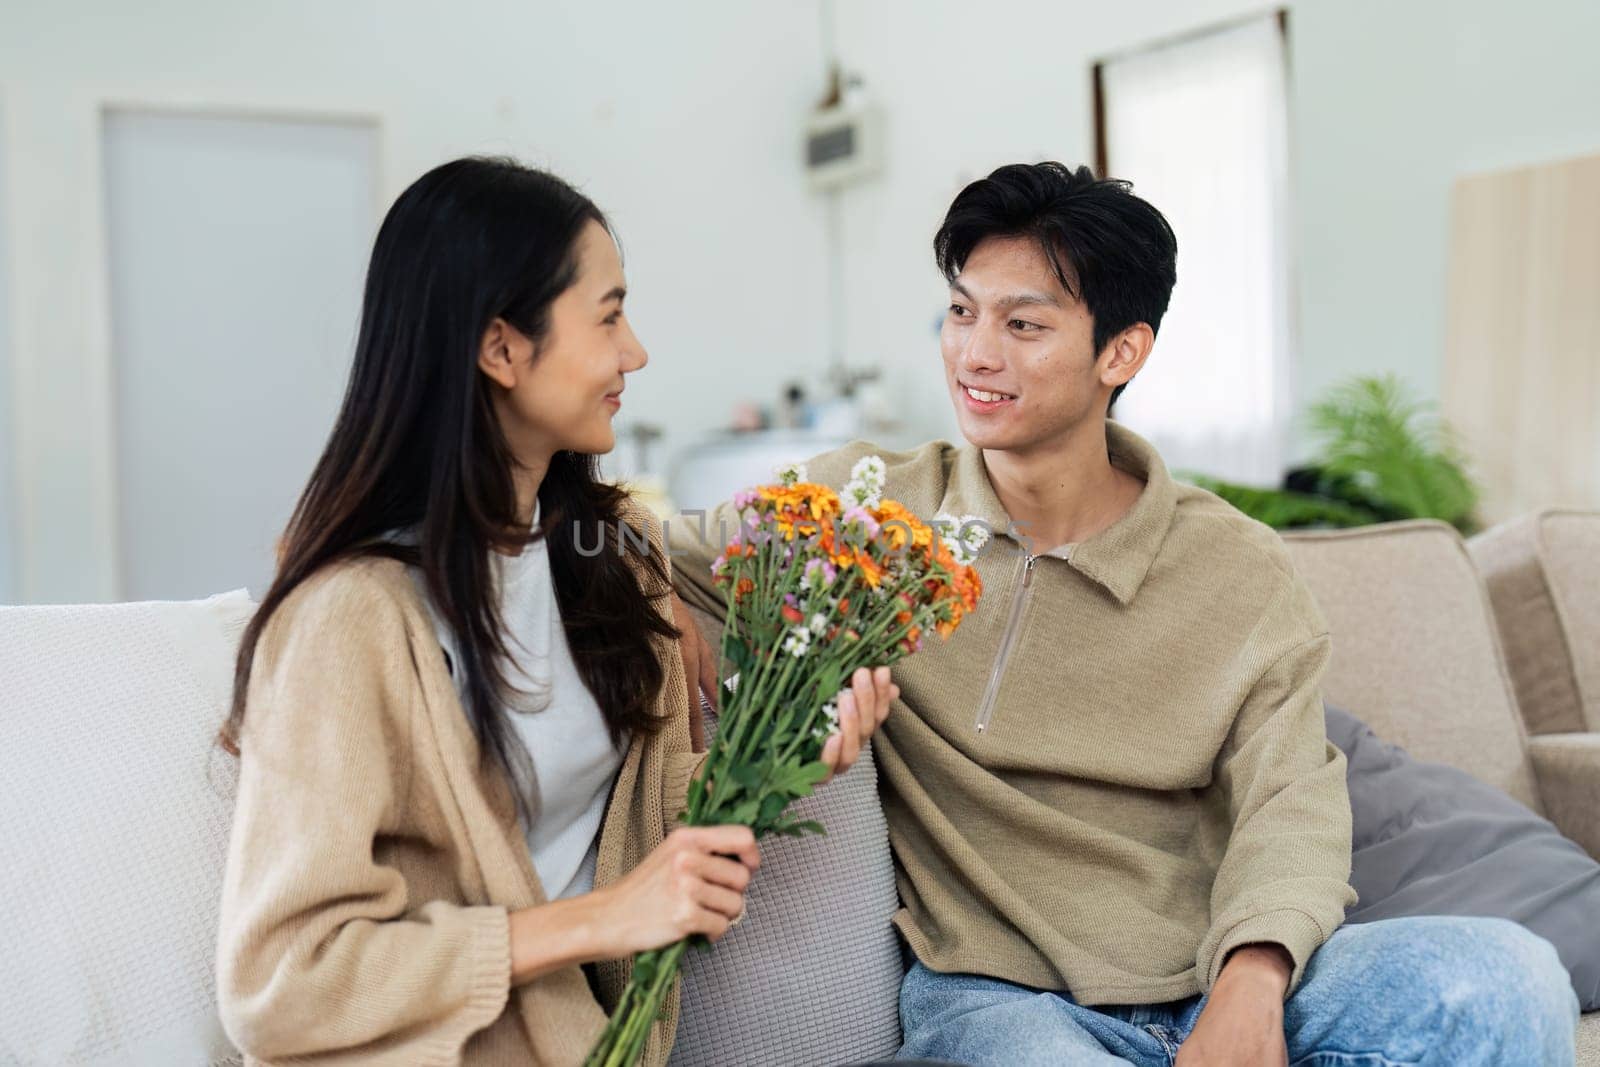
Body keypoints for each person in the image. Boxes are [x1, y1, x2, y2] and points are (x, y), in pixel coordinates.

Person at [671, 162, 1579, 1066]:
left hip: (1212, 972)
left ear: (1123, 352)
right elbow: (629, 544)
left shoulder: (1238, 570)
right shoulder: (868, 514)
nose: (975, 353)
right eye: (960, 311)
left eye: (1022, 324)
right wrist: (678, 614)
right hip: (1000, 1003)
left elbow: (1291, 804)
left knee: (1510, 975)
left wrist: (1251, 985)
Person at [214, 157, 895, 1066]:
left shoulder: (612, 562)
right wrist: (598, 921)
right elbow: (281, 982)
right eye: (608, 314)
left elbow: (624, 828)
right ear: (501, 349)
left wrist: (788, 760)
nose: (636, 351)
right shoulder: (354, 617)